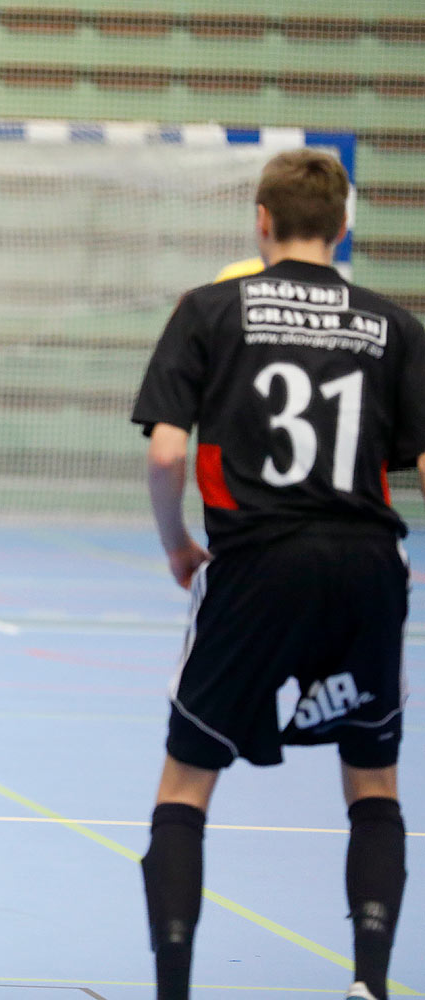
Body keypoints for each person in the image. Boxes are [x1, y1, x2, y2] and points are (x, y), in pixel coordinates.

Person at [131, 148, 421, 1000]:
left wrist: (177, 544)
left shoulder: (212, 309)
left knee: (187, 779)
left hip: (255, 561)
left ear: (260, 221)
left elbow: (167, 451)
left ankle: (176, 987)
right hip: (368, 565)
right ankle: (369, 982)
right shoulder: (393, 325)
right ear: (344, 226)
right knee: (373, 778)